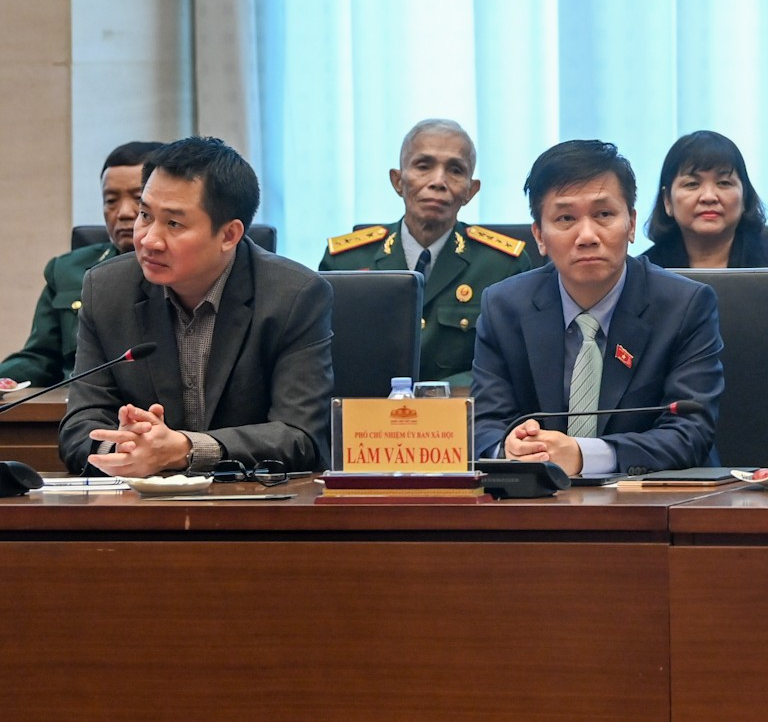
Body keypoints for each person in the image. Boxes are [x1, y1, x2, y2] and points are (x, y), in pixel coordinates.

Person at [59, 137, 333, 474]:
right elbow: (79, 425)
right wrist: (127, 447)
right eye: (146, 215)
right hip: (140, 509)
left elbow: (300, 436)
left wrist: (187, 450)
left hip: (253, 511)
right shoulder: (107, 290)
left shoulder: (294, 296)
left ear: (229, 235)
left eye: (174, 223)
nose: (148, 239)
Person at [472, 139, 722, 476]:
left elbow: (690, 433)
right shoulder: (504, 306)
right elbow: (485, 424)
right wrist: (509, 448)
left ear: (631, 224)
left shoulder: (685, 306)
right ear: (540, 237)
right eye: (565, 218)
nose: (587, 235)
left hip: (653, 507)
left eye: (604, 214)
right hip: (536, 509)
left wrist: (583, 455)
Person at [318, 118, 537, 384]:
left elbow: (513, 364)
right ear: (398, 180)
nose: (438, 181)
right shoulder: (346, 260)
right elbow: (325, 356)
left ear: (471, 190)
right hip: (368, 415)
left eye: (455, 170)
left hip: (464, 415)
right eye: (423, 166)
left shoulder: (502, 265)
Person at [640, 129, 768, 376]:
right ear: (667, 201)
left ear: (745, 196)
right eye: (692, 184)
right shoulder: (644, 276)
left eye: (724, 183)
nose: (709, 196)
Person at [1, 140, 165, 390]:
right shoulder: (67, 271)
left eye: (138, 199)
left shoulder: (182, 272)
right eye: (110, 200)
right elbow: (42, 358)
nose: (122, 212)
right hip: (82, 406)